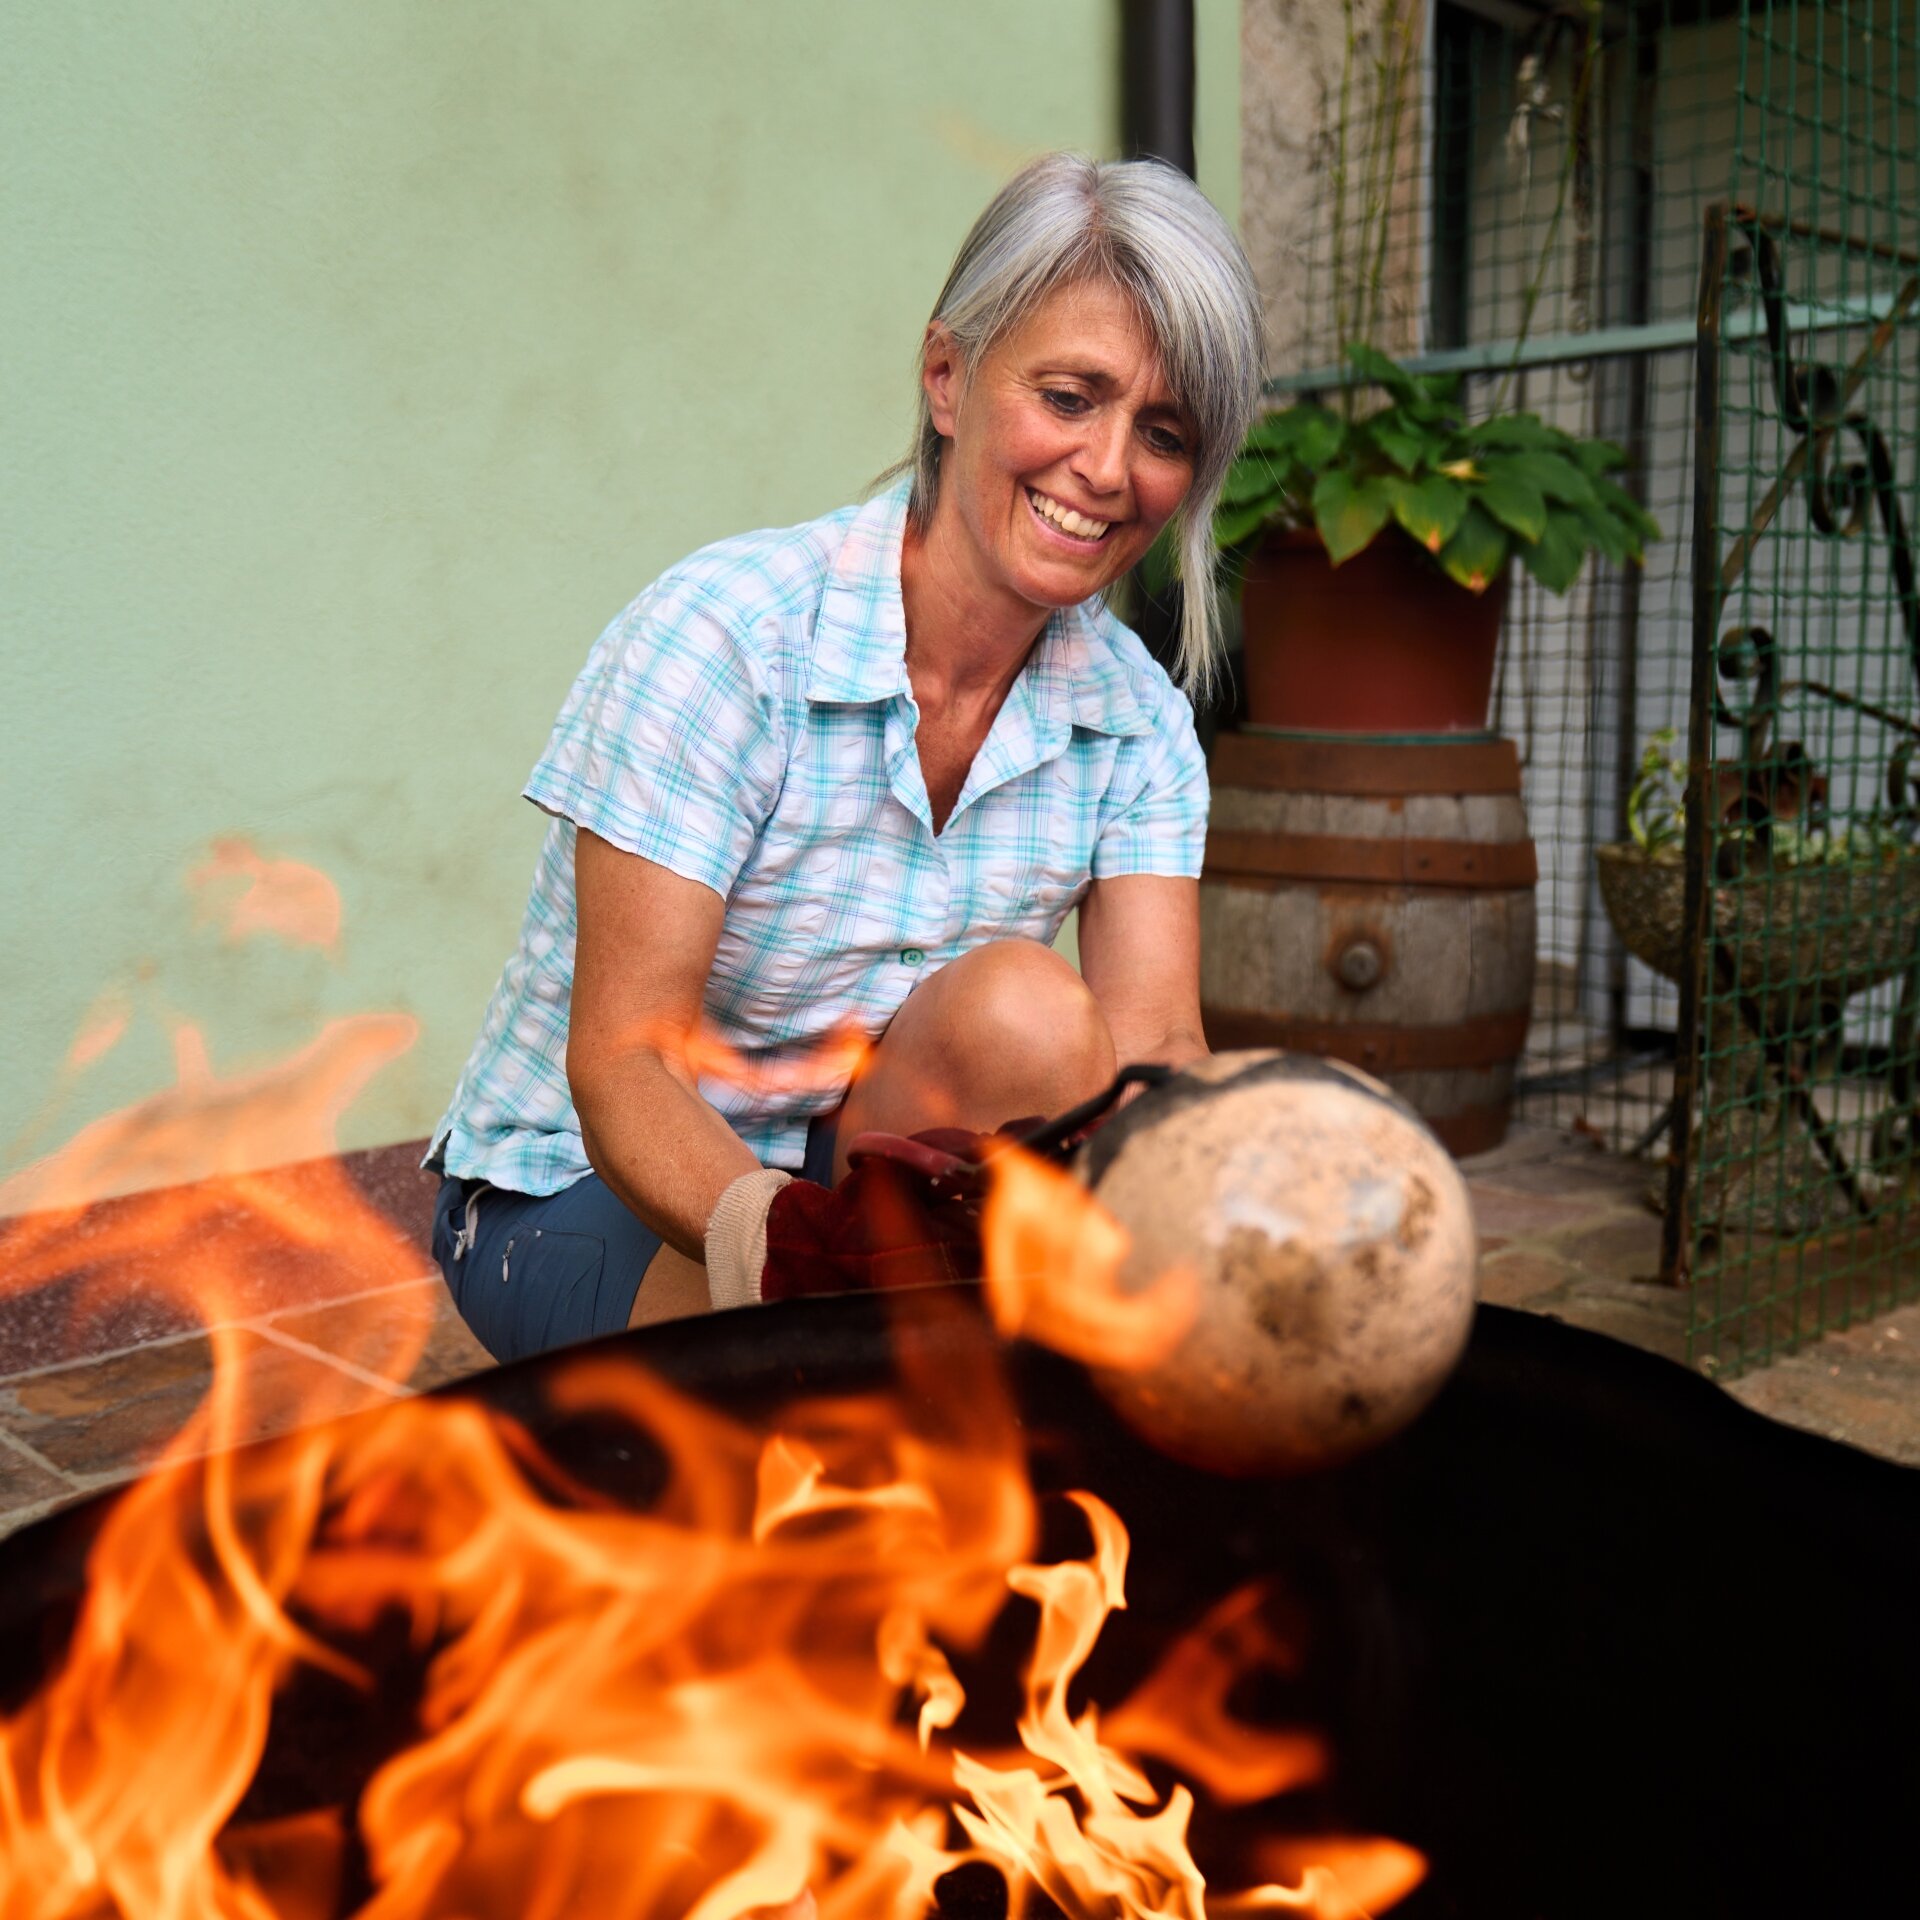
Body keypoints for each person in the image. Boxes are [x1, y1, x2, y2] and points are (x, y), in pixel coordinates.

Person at [425, 152, 1264, 1362]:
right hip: (583, 1188)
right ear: (946, 379)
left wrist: (1248, 1212)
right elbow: (623, 1063)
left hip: (851, 1166)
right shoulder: (727, 637)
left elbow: (1148, 1066)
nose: (1108, 470)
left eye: (1165, 433)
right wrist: (795, 1250)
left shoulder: (1138, 723)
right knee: (884, 1370)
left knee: (1030, 1022)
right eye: (1071, 397)